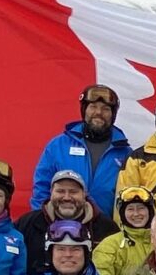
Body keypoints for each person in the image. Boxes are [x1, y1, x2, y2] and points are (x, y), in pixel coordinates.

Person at [30, 82, 131, 216]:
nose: (98, 113)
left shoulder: (125, 153)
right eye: (93, 107)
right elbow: (42, 188)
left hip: (107, 231)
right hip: (60, 228)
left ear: (113, 114)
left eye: (106, 109)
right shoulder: (58, 146)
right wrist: (42, 221)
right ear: (84, 110)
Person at [15, 168, 115, 264]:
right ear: (51, 193)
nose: (67, 197)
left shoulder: (106, 228)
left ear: (84, 195)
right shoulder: (28, 224)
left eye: (73, 192)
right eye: (60, 191)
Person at [93, 184, 156, 275]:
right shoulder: (109, 247)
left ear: (150, 212)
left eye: (141, 208)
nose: (136, 214)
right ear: (122, 214)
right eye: (130, 209)